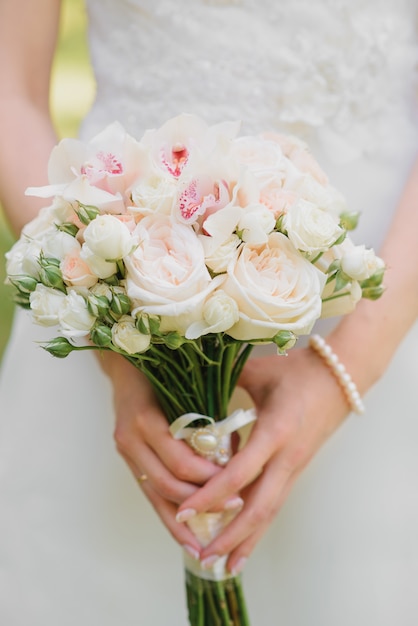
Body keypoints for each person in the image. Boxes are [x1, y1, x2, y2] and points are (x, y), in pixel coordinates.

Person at [0, 0, 417, 624]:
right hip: (118, 277)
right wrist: (120, 344)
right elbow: (10, 88)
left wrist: (346, 367)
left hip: (387, 288)